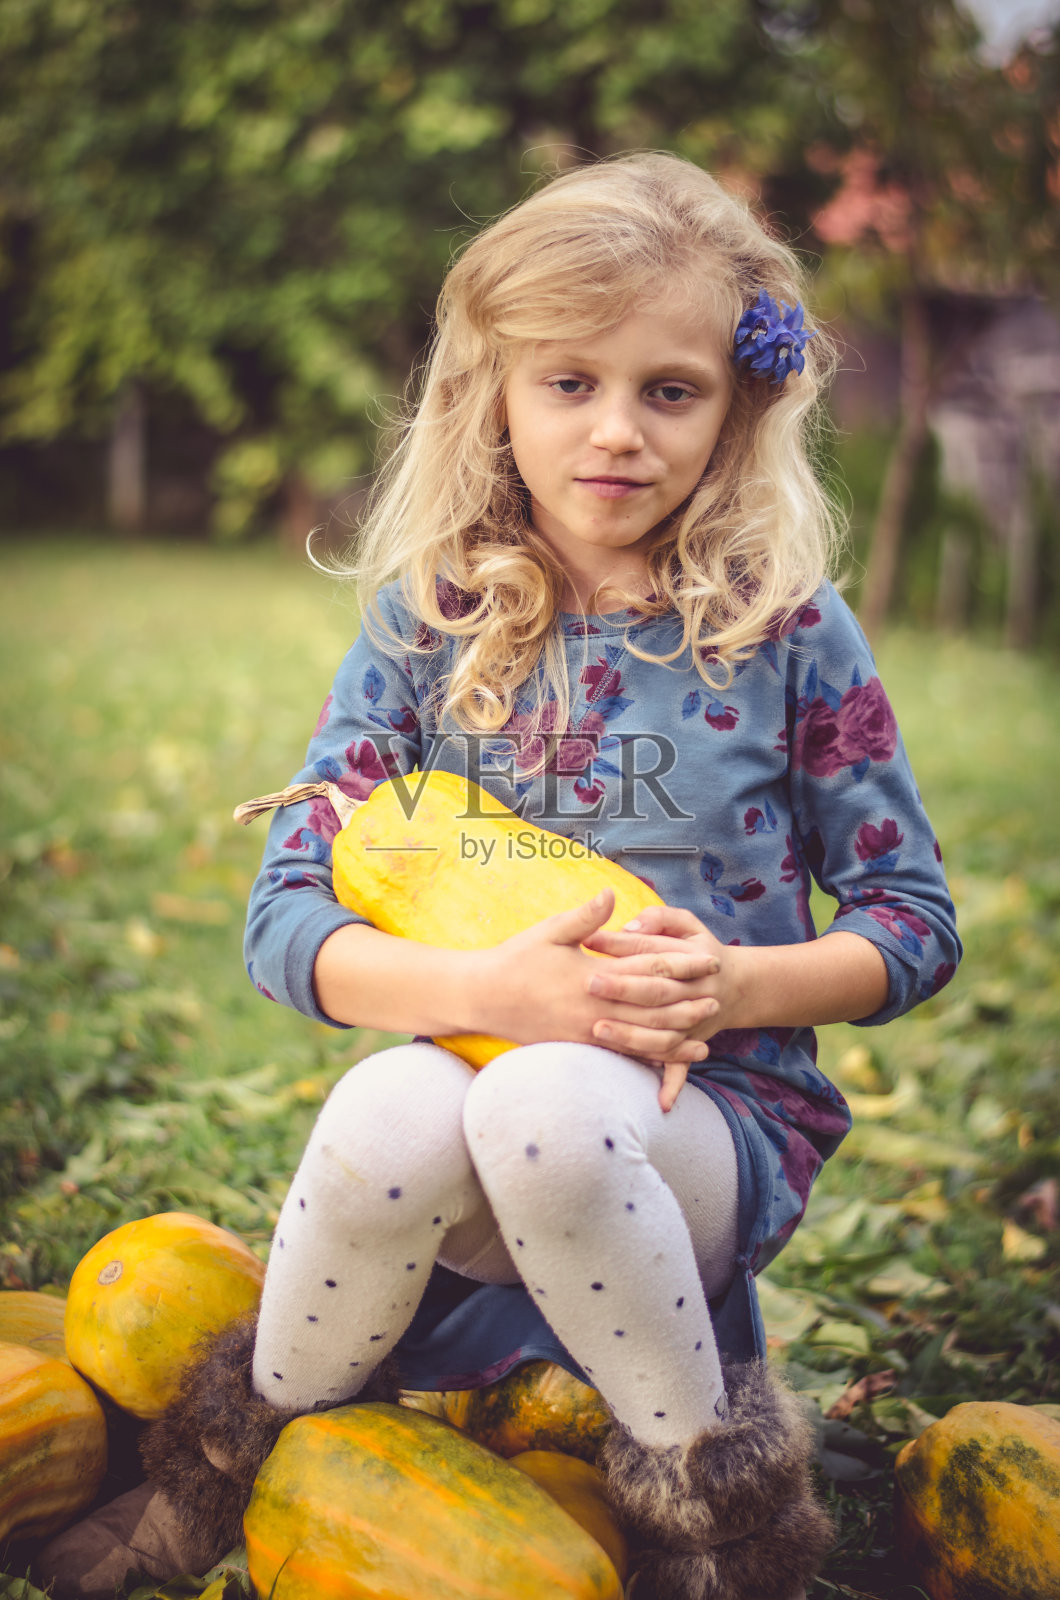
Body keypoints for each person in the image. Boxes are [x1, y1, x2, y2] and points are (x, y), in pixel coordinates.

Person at [40, 154, 960, 1600]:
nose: (617, 432)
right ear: (496, 391)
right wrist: (488, 988)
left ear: (735, 407)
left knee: (540, 1101)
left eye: (671, 389)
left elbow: (913, 924)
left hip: (701, 1119)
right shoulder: (434, 620)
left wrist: (736, 983)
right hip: (476, 1082)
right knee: (394, 1104)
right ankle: (225, 1476)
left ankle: (722, 1535)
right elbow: (289, 920)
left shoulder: (785, 629)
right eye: (569, 383)